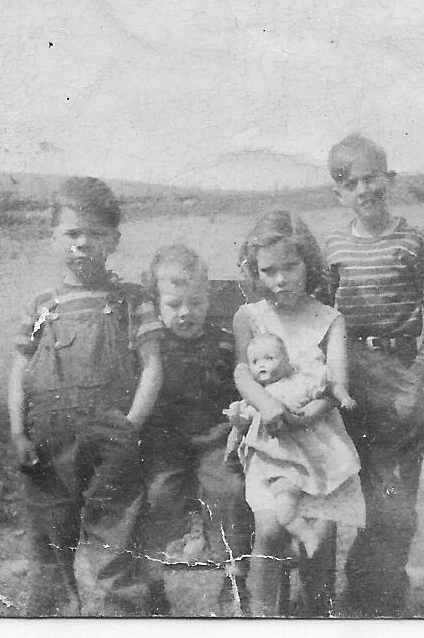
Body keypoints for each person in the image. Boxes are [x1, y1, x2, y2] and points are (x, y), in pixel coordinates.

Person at [7, 177, 163, 616]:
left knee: (116, 533)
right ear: (52, 238)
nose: (83, 243)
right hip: (49, 440)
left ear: (114, 239)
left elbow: (152, 365)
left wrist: (131, 426)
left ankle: (123, 615)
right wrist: (18, 432)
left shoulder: (132, 301)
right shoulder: (41, 305)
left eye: (95, 233)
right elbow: (20, 369)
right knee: (50, 536)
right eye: (72, 233)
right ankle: (53, 616)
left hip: (111, 436)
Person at [323, 134, 424, 617]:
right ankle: (340, 597)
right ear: (339, 194)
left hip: (399, 377)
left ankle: (378, 598)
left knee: (394, 503)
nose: (364, 189)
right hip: (348, 380)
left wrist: (415, 380)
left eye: (371, 177)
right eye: (350, 182)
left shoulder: (415, 241)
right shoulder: (334, 245)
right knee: (340, 490)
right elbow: (320, 319)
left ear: (389, 179)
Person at [233, 210, 365, 617]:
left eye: (291, 266)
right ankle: (261, 616)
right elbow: (242, 373)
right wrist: (268, 405)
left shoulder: (330, 320)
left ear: (309, 262)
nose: (281, 279)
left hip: (320, 438)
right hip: (269, 439)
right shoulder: (251, 317)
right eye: (269, 270)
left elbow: (336, 386)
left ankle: (315, 616)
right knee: (271, 528)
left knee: (319, 538)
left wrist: (304, 416)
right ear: (256, 273)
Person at [138, 243, 253, 615]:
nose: (186, 313)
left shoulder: (222, 343)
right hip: (165, 442)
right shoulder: (152, 348)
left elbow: (241, 388)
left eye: (196, 302)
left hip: (214, 439)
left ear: (207, 299)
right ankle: (152, 580)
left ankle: (235, 576)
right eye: (174, 305)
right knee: (156, 493)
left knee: (232, 490)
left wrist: (240, 411)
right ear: (156, 303)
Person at [224, 331, 358, 557]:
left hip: (302, 458)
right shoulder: (258, 396)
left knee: (296, 509)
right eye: (255, 362)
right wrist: (237, 423)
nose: (262, 366)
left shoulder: (299, 383)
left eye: (270, 358)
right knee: (283, 513)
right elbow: (240, 426)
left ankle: (306, 538)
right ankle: (304, 537)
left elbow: (328, 387)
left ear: (286, 360)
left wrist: (344, 397)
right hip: (275, 465)